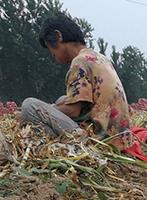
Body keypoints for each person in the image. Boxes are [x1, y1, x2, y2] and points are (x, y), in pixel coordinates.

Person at [19, 14, 131, 149]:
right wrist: (55, 106)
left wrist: (44, 111)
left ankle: (59, 147)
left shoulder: (79, 62)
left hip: (101, 142)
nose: (53, 56)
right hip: (120, 138)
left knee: (29, 106)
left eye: (52, 50)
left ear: (58, 36)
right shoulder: (100, 58)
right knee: (63, 99)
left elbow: (73, 111)